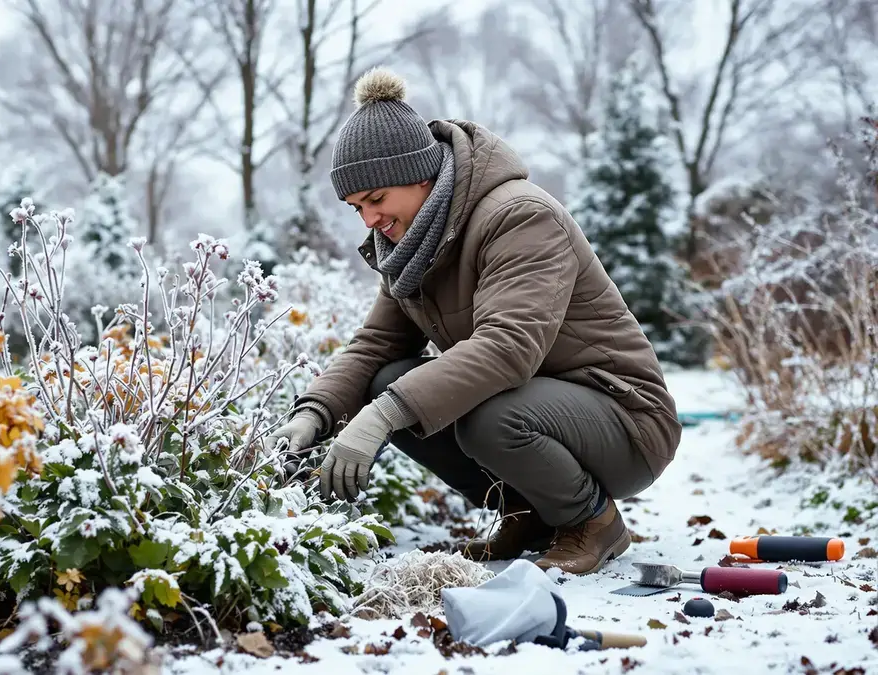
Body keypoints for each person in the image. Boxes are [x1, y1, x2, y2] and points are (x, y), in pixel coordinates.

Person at [263, 67, 682, 576]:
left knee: (483, 416)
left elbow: (509, 347)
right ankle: (529, 515)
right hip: (540, 405)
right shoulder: (411, 246)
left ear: (422, 175)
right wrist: (315, 413)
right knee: (387, 378)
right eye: (356, 207)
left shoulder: (519, 216)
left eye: (376, 200)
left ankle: (593, 523)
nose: (369, 220)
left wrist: (382, 415)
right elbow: (376, 343)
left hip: (625, 419)